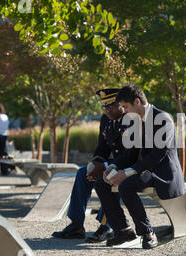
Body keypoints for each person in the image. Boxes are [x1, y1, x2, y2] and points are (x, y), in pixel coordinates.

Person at [101, 84, 185, 249]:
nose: (123, 111)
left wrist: (126, 173)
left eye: (125, 107)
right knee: (101, 183)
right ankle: (123, 230)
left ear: (137, 102)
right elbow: (128, 153)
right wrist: (112, 166)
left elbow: (157, 156)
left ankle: (147, 233)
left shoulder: (163, 118)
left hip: (162, 172)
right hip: (144, 170)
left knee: (127, 185)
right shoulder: (134, 121)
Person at [52, 88, 138, 243]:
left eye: (111, 106)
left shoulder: (131, 120)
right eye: (104, 107)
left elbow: (129, 154)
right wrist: (95, 163)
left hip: (128, 166)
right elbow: (102, 147)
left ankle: (107, 226)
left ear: (121, 105)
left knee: (106, 178)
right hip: (112, 163)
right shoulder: (106, 120)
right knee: (82, 173)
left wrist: (106, 166)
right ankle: (76, 225)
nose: (107, 110)